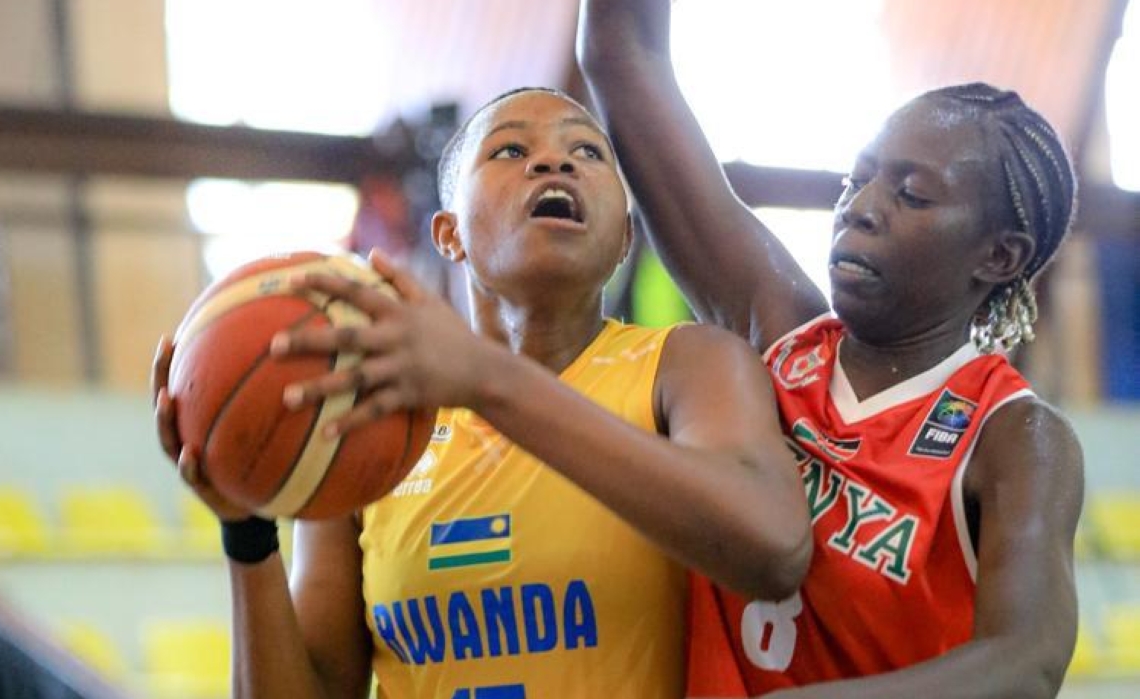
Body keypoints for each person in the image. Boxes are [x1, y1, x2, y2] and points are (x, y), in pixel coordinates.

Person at [151, 86, 812, 699]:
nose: (555, 162)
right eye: (512, 149)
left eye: (586, 150)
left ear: (624, 242)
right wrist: (246, 524)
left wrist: (488, 379)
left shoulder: (686, 364)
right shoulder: (367, 406)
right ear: (449, 234)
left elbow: (774, 547)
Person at [577, 2, 1085, 698]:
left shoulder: (1014, 436)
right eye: (857, 179)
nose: (860, 206)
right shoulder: (780, 329)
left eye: (910, 194)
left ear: (999, 255)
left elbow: (1027, 659)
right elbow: (622, 59)